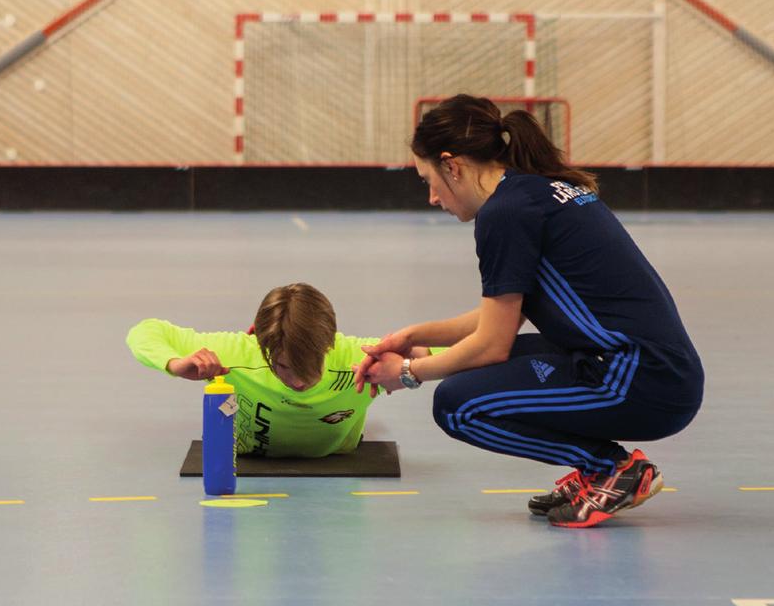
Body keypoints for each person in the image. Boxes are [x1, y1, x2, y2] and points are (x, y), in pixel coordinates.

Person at [354, 95, 704, 528]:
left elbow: (492, 345)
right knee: (468, 375)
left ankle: (610, 469)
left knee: (457, 405)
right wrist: (414, 338)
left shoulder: (505, 213)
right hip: (648, 368)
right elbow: (499, 320)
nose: (431, 197)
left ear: (453, 165)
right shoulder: (530, 191)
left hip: (641, 381)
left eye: (429, 179)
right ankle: (601, 469)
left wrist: (407, 374)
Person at [127, 282, 433, 460]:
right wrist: (175, 364)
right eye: (284, 367)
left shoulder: (360, 358)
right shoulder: (236, 352)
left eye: (309, 365)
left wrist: (415, 364)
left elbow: (467, 348)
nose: (298, 380)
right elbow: (144, 332)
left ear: (330, 343)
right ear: (259, 343)